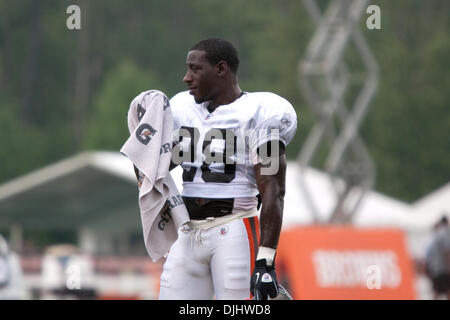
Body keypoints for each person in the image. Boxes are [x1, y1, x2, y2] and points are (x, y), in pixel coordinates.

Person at [158, 38, 297, 300]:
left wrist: (266, 260)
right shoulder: (183, 110)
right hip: (187, 232)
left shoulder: (261, 113)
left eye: (195, 69)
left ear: (221, 69)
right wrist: (144, 143)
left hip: (233, 229)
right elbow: (157, 171)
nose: (186, 78)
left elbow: (273, 191)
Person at [424, 215, 450, 300]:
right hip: (443, 268)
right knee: (447, 290)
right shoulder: (445, 233)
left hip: (435, 268)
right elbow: (446, 252)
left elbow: (429, 253)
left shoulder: (436, 235)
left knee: (437, 291)